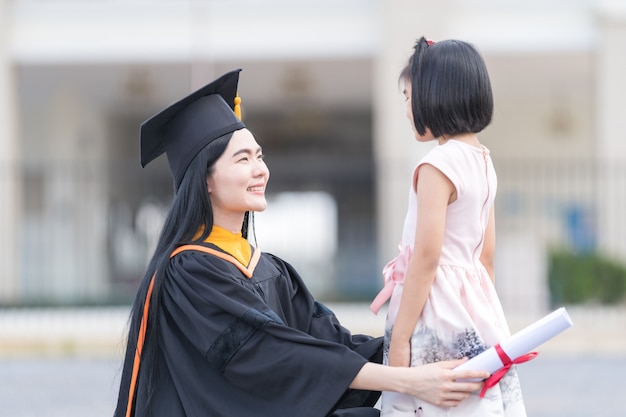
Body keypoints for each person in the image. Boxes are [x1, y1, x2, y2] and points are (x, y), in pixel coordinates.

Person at [113, 68, 489, 417]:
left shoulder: (269, 268)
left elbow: (329, 341)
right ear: (205, 179)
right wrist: (407, 381)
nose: (260, 169)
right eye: (242, 159)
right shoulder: (190, 271)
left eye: (259, 156)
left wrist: (429, 349)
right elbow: (273, 355)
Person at [369, 38, 528, 416]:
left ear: (435, 96)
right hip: (474, 304)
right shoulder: (483, 161)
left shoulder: (436, 165)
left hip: (435, 308)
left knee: (432, 399)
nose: (407, 109)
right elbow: (485, 257)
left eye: (408, 96)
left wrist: (402, 339)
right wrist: (483, 317)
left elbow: (426, 256)